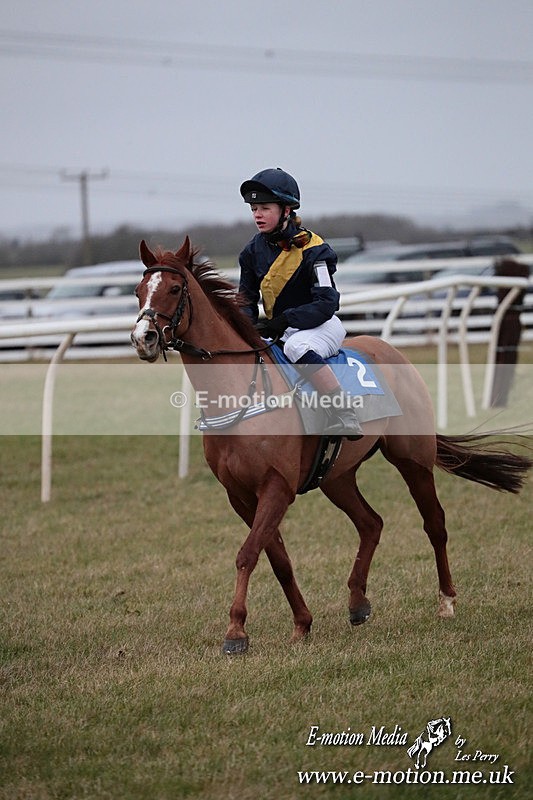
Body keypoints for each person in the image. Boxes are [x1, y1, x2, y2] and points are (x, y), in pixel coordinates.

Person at [238, 167, 363, 440]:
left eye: (265, 208)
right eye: (254, 209)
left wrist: (285, 320)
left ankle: (343, 412)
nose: (257, 214)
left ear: (286, 210)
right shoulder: (250, 253)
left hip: (321, 327)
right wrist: (244, 328)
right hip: (281, 330)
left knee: (297, 346)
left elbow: (327, 303)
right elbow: (246, 301)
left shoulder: (315, 249)